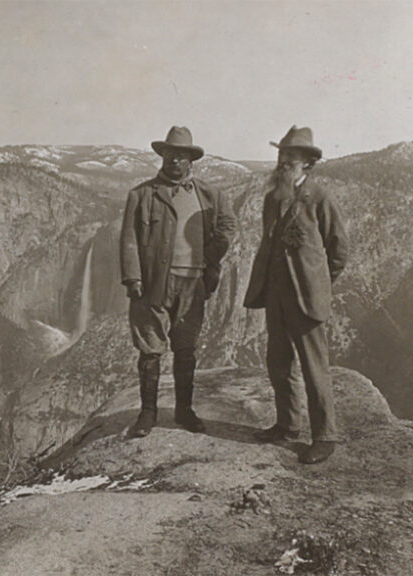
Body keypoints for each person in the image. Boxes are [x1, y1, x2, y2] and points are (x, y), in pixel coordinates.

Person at [119, 126, 237, 438]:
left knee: (186, 349)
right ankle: (148, 414)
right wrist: (133, 278)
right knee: (150, 349)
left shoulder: (210, 195)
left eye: (181, 156)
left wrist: (212, 255)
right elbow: (129, 239)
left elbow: (227, 225)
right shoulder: (142, 195)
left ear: (191, 161)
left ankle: (184, 410)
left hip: (194, 283)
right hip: (154, 284)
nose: (175, 161)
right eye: (170, 154)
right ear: (162, 156)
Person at [244, 126, 348, 464]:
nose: (283, 164)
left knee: (313, 367)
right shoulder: (273, 199)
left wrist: (318, 282)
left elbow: (338, 250)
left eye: (291, 159)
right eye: (281, 157)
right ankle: (288, 425)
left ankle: (325, 436)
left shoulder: (320, 198)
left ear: (308, 165)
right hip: (276, 295)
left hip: (306, 298)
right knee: (278, 362)